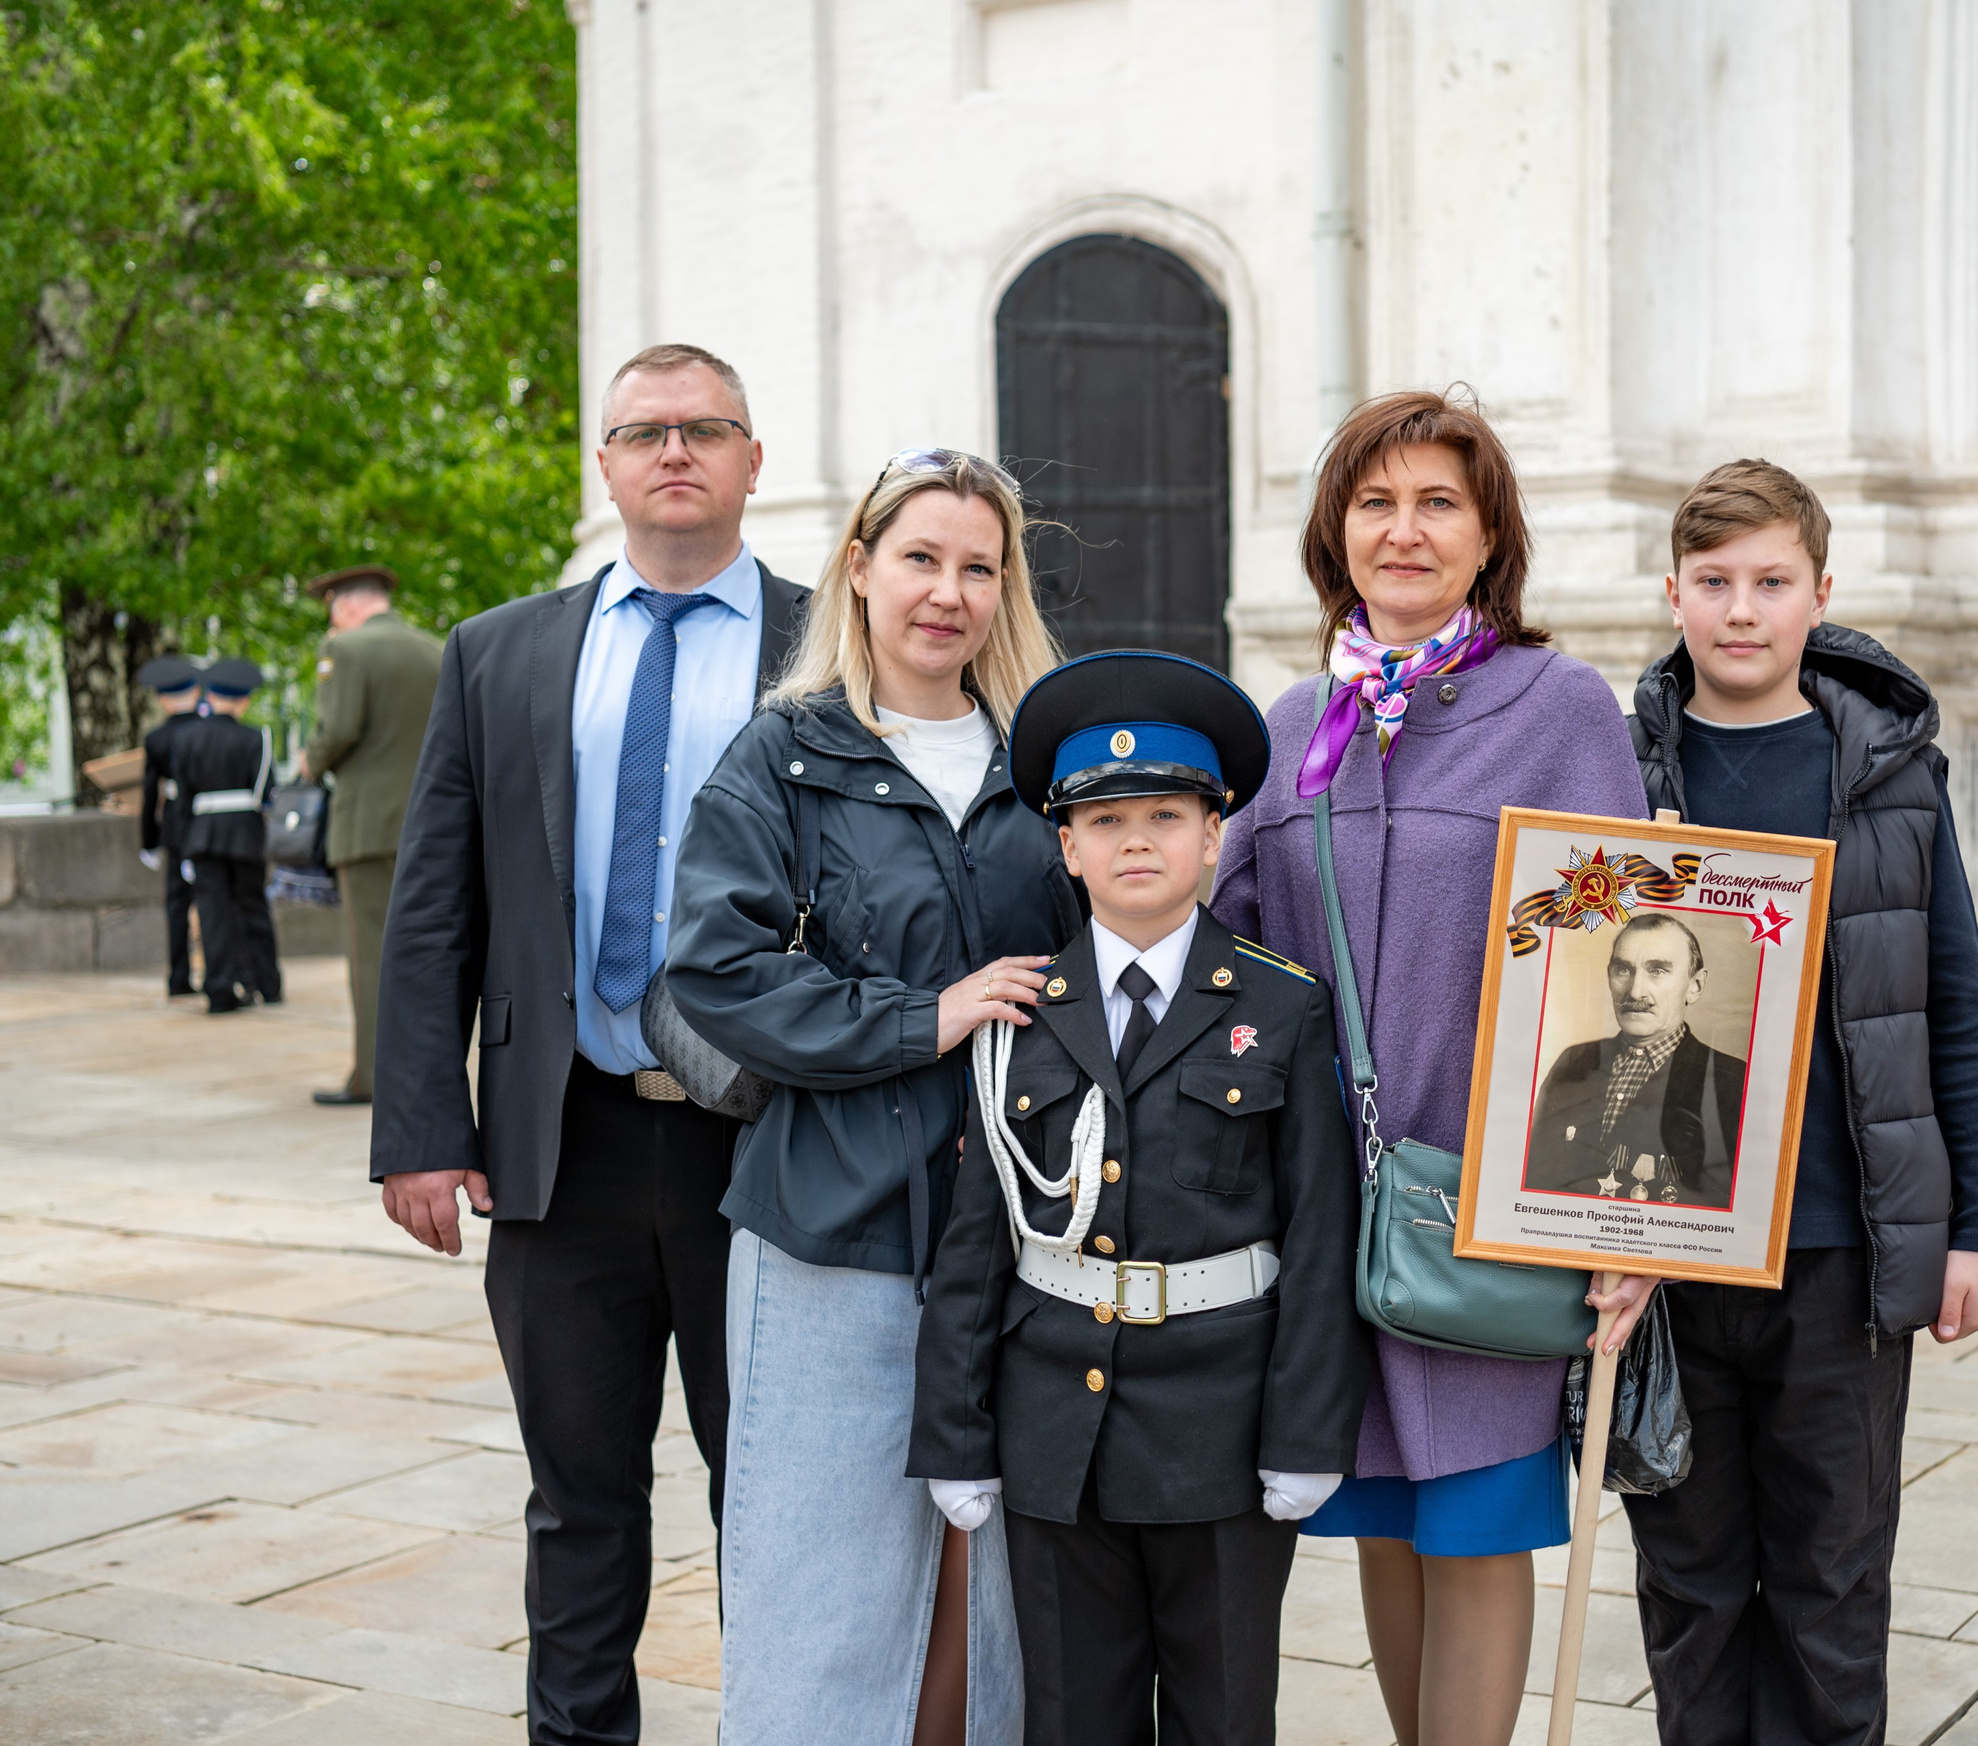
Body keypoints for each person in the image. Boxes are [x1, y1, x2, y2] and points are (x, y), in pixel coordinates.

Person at [371, 342, 806, 1744]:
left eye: (706, 429)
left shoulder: (833, 644)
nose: (674, 450)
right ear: (606, 464)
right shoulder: (500, 651)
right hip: (566, 1145)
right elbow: (437, 903)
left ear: (753, 459)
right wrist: (424, 1125)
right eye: (645, 431)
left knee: (784, 1499)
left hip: (781, 1147)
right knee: (577, 1497)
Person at [1209, 389, 1651, 1746]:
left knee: (1475, 1510)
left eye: (1439, 502)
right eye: (1376, 502)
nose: (1405, 530)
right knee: (1385, 1512)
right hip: (1327, 1203)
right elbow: (1235, 952)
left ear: (1489, 535)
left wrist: (1627, 1210)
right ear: (1336, 533)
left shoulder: (1562, 708)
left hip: (1496, 1194)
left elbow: (1631, 962)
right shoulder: (1287, 727)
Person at [662, 448, 1077, 1746]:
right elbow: (713, 971)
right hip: (831, 1228)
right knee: (824, 1588)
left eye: (977, 566)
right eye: (920, 558)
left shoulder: (1052, 758)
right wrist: (923, 1013)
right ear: (859, 567)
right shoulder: (784, 754)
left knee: (1007, 1590)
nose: (947, 591)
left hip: (1028, 1233)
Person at [1618, 458, 1978, 1744]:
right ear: (1671, 593)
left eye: (1771, 583)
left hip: (1841, 1246)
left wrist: (1977, 1227)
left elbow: (1952, 1003)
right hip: (1673, 1253)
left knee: (1831, 1580)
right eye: (1716, 583)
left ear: (1819, 592)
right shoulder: (1622, 776)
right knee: (1689, 1581)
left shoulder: (1890, 774)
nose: (1742, 611)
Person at [910, 651, 1369, 1746]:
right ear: (1065, 847)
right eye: (1104, 821)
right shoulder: (1019, 1013)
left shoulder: (1284, 1007)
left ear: (1215, 835)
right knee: (1071, 1714)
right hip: (1053, 1435)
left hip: (1222, 1430)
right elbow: (978, 1242)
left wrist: (1307, 1433)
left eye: (1165, 815)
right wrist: (954, 1435)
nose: (1135, 842)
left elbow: (1318, 1237)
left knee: (1221, 1714)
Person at [299, 563, 444, 1107]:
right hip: (430, 825)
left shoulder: (346, 650)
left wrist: (308, 764)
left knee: (371, 955)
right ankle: (431, 1072)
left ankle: (374, 1078)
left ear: (344, 604)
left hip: (368, 828)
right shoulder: (436, 648)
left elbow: (336, 731)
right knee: (426, 953)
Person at [1523, 913, 1747, 1208]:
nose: (1635, 991)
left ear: (1695, 986)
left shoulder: (1732, 1079)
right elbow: (1534, 1176)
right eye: (1623, 969)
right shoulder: (1575, 1061)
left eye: (1657, 971)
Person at [170, 658, 283, 1015]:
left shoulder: (186, 739)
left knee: (212, 912)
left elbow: (181, 798)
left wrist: (183, 843)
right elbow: (266, 790)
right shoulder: (256, 737)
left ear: (209, 695)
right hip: (245, 833)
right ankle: (268, 984)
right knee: (253, 908)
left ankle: (219, 988)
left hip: (202, 834)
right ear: (244, 701)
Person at [137, 654, 208, 997]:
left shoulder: (157, 738)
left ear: (163, 699)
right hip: (207, 820)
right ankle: (218, 972)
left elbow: (150, 793)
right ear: (195, 692)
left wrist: (149, 840)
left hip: (176, 825)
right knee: (214, 900)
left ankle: (179, 977)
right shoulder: (206, 729)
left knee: (177, 904)